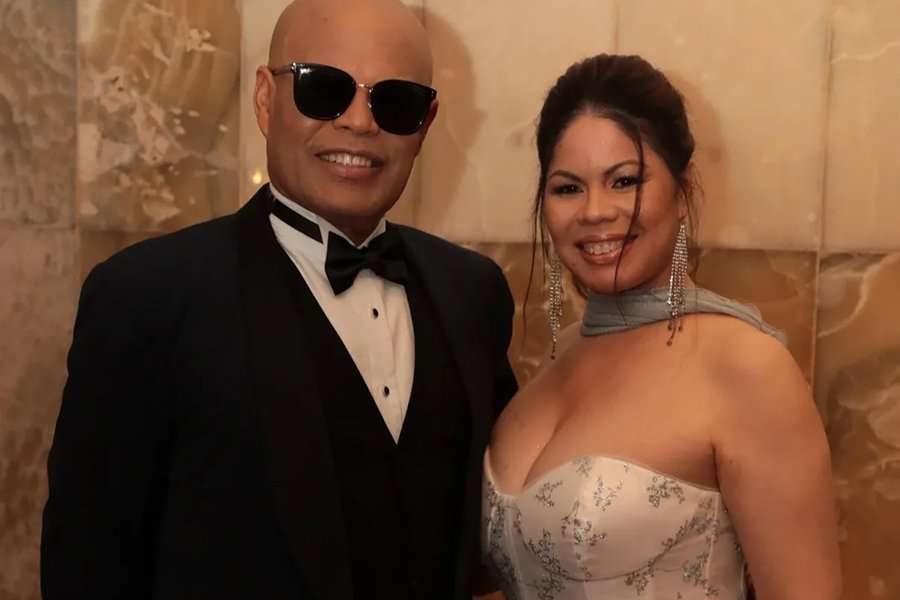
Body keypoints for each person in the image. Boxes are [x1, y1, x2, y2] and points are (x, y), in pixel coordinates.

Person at [41, 1, 517, 598]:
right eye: (325, 89)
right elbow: (88, 566)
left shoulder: (473, 293)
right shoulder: (144, 297)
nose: (359, 122)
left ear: (425, 123)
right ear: (266, 99)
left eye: (395, 101)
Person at [481, 54, 840, 600]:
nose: (595, 211)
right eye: (568, 187)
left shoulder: (746, 367)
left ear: (682, 189)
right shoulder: (553, 366)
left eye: (624, 181)